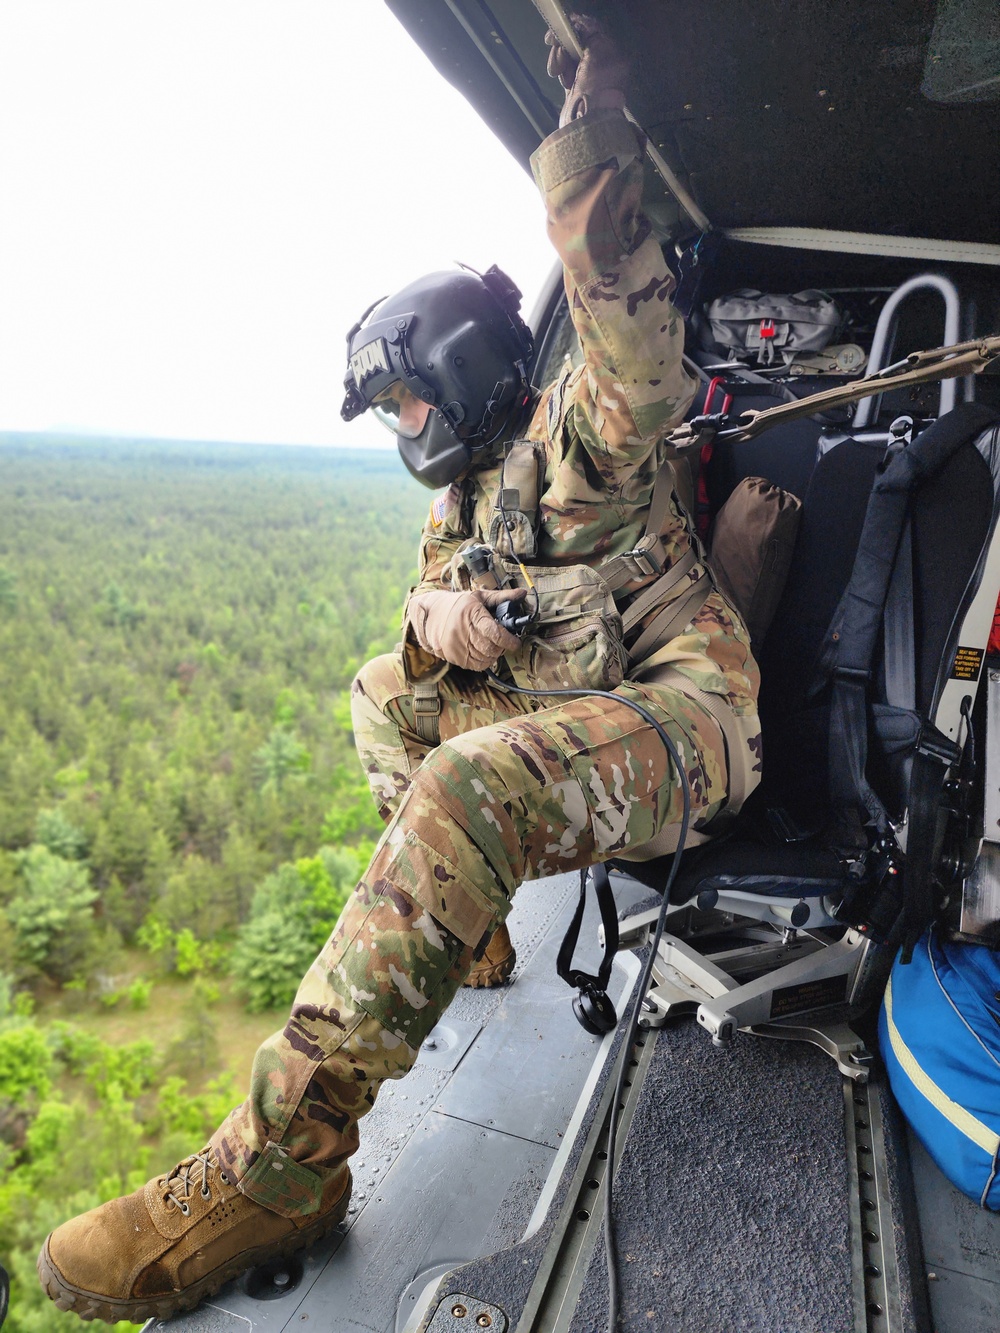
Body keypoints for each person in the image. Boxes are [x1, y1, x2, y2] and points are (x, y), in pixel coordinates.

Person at [37, 16, 761, 1324]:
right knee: (382, 691)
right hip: (578, 707)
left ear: (469, 376)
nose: (403, 434)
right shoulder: (476, 491)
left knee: (467, 784)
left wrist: (589, 153)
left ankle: (278, 1164)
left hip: (687, 727)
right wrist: (439, 623)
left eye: (408, 406)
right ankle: (465, 932)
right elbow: (436, 611)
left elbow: (641, 372)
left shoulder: (579, 451)